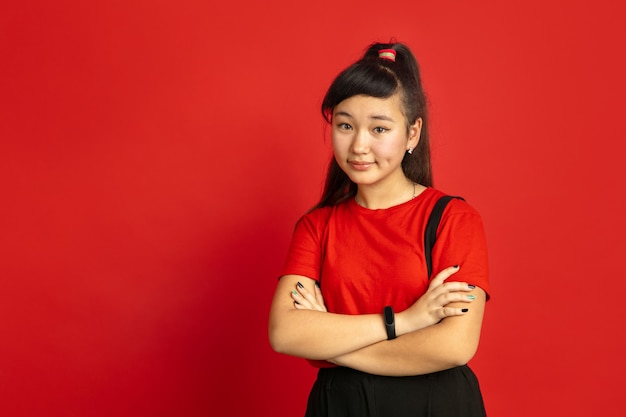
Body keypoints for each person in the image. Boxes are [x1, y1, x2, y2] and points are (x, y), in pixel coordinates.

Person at [268, 41, 490, 417]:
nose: (359, 145)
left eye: (379, 128)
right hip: (341, 407)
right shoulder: (316, 226)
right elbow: (284, 334)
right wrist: (406, 321)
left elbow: (455, 345)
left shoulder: (454, 219)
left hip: (436, 405)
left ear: (413, 133)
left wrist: (330, 345)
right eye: (344, 125)